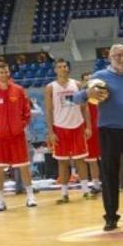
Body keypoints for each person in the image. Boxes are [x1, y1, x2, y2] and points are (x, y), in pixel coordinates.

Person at [74, 44, 123, 231]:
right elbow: (77, 98)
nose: (121, 58)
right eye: (117, 55)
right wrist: (88, 93)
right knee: (110, 175)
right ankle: (111, 217)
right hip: (109, 132)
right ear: (110, 57)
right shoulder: (99, 77)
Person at [0, 62, 37, 211]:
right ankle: (0, 201)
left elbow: (27, 112)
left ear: (9, 72)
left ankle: (30, 196)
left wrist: (21, 125)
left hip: (18, 136)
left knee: (24, 166)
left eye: (6, 71)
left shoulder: (18, 90)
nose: (4, 74)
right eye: (1, 72)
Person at [45, 59, 90, 204]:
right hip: (60, 128)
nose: (62, 68)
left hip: (77, 126)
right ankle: (64, 194)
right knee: (62, 163)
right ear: (55, 70)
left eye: (64, 66)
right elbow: (49, 111)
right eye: (59, 67)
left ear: (68, 68)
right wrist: (50, 131)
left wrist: (88, 126)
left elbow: (85, 107)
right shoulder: (50, 87)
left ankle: (86, 191)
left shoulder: (77, 84)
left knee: (80, 161)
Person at [79, 71, 102, 198]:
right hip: (89, 130)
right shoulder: (81, 96)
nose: (88, 82)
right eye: (85, 79)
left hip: (103, 128)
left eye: (90, 79)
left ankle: (111, 182)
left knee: (106, 158)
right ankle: (96, 185)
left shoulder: (101, 94)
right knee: (92, 160)